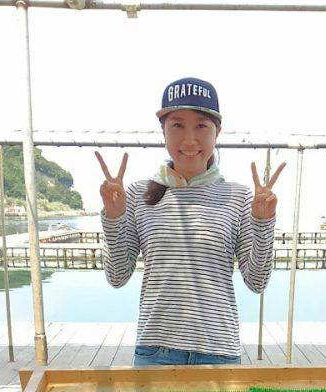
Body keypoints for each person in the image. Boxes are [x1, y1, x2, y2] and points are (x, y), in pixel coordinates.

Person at [96, 77, 285, 367]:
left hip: (220, 353)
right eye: (177, 125)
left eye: (201, 126)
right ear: (163, 130)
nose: (189, 140)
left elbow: (257, 282)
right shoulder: (136, 194)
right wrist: (114, 216)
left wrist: (263, 221)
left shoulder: (241, 197)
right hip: (154, 352)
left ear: (217, 131)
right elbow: (117, 276)